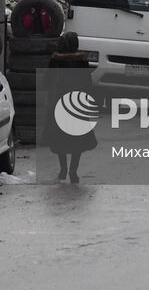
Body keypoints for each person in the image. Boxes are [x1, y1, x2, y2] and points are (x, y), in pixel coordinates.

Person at [43, 32, 97, 184]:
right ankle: (73, 171)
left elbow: (47, 81)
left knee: (59, 138)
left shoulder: (56, 61)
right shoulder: (81, 61)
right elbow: (88, 83)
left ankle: (63, 169)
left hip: (59, 102)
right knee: (78, 140)